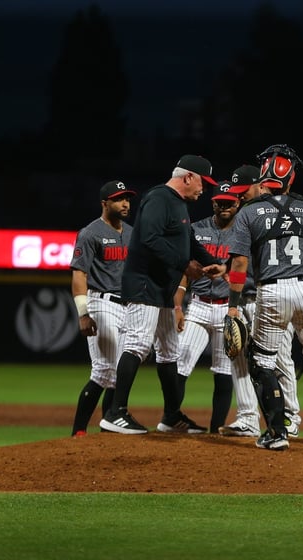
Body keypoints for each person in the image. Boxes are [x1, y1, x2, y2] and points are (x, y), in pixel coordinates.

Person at [99, 155, 226, 435]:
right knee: (137, 343)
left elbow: (187, 241)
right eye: (203, 182)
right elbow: (149, 238)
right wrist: (184, 265)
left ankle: (171, 416)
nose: (205, 189)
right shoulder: (160, 197)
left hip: (162, 288)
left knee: (170, 352)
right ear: (189, 177)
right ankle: (115, 413)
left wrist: (209, 262)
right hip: (145, 283)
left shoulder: (178, 203)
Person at [225, 145, 303, 450]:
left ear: (263, 176)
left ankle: (276, 433)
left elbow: (239, 265)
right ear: (291, 179)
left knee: (263, 363)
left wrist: (233, 307)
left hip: (271, 291)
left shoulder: (248, 212)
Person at [218, 164, 301, 438]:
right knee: (238, 355)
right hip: (245, 297)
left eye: (244, 190)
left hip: (272, 296)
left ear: (262, 184)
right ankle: (248, 418)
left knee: (280, 360)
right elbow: (240, 260)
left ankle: (290, 418)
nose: (239, 197)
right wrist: (225, 271)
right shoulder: (246, 215)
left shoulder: (283, 212)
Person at [170, 181, 243, 434]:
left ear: (238, 203)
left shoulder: (244, 233)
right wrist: (178, 307)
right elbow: (183, 271)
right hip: (199, 306)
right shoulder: (195, 229)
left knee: (224, 371)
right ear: (213, 203)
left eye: (229, 202)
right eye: (220, 202)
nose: (224, 206)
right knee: (180, 363)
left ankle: (216, 430)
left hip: (228, 308)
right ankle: (170, 419)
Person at [69, 180, 136, 437]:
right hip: (101, 303)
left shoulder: (131, 233)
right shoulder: (90, 233)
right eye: (119, 199)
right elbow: (79, 275)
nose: (125, 203)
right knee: (104, 370)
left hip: (127, 306)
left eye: (127, 199)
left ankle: (109, 428)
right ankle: (79, 432)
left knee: (119, 374)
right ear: (105, 203)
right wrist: (83, 313)